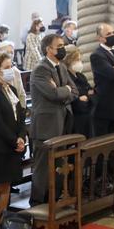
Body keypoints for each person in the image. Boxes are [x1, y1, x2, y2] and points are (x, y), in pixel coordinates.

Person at [0, 52, 28, 229]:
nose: (11, 70)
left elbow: (21, 116)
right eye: (7, 68)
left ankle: (4, 218)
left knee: (6, 184)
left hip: (12, 143)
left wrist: (21, 137)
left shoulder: (12, 90)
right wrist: (13, 140)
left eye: (12, 66)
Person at [30, 34, 75, 204]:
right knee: (43, 168)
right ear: (49, 49)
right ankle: (38, 204)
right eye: (60, 46)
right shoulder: (41, 69)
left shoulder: (61, 67)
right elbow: (52, 93)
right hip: (45, 126)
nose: (63, 48)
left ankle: (53, 201)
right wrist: (66, 90)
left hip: (62, 122)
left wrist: (64, 90)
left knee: (58, 166)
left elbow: (75, 91)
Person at [63, 44, 95, 139]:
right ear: (69, 61)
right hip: (76, 121)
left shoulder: (81, 76)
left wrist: (87, 97)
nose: (80, 63)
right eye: (77, 60)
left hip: (88, 118)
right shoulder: (66, 78)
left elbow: (93, 94)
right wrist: (86, 97)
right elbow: (77, 104)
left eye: (80, 60)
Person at [0, 41, 28, 112]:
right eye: (7, 52)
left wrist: (22, 111)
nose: (10, 55)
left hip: (17, 111)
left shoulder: (15, 71)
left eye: (12, 52)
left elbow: (21, 94)